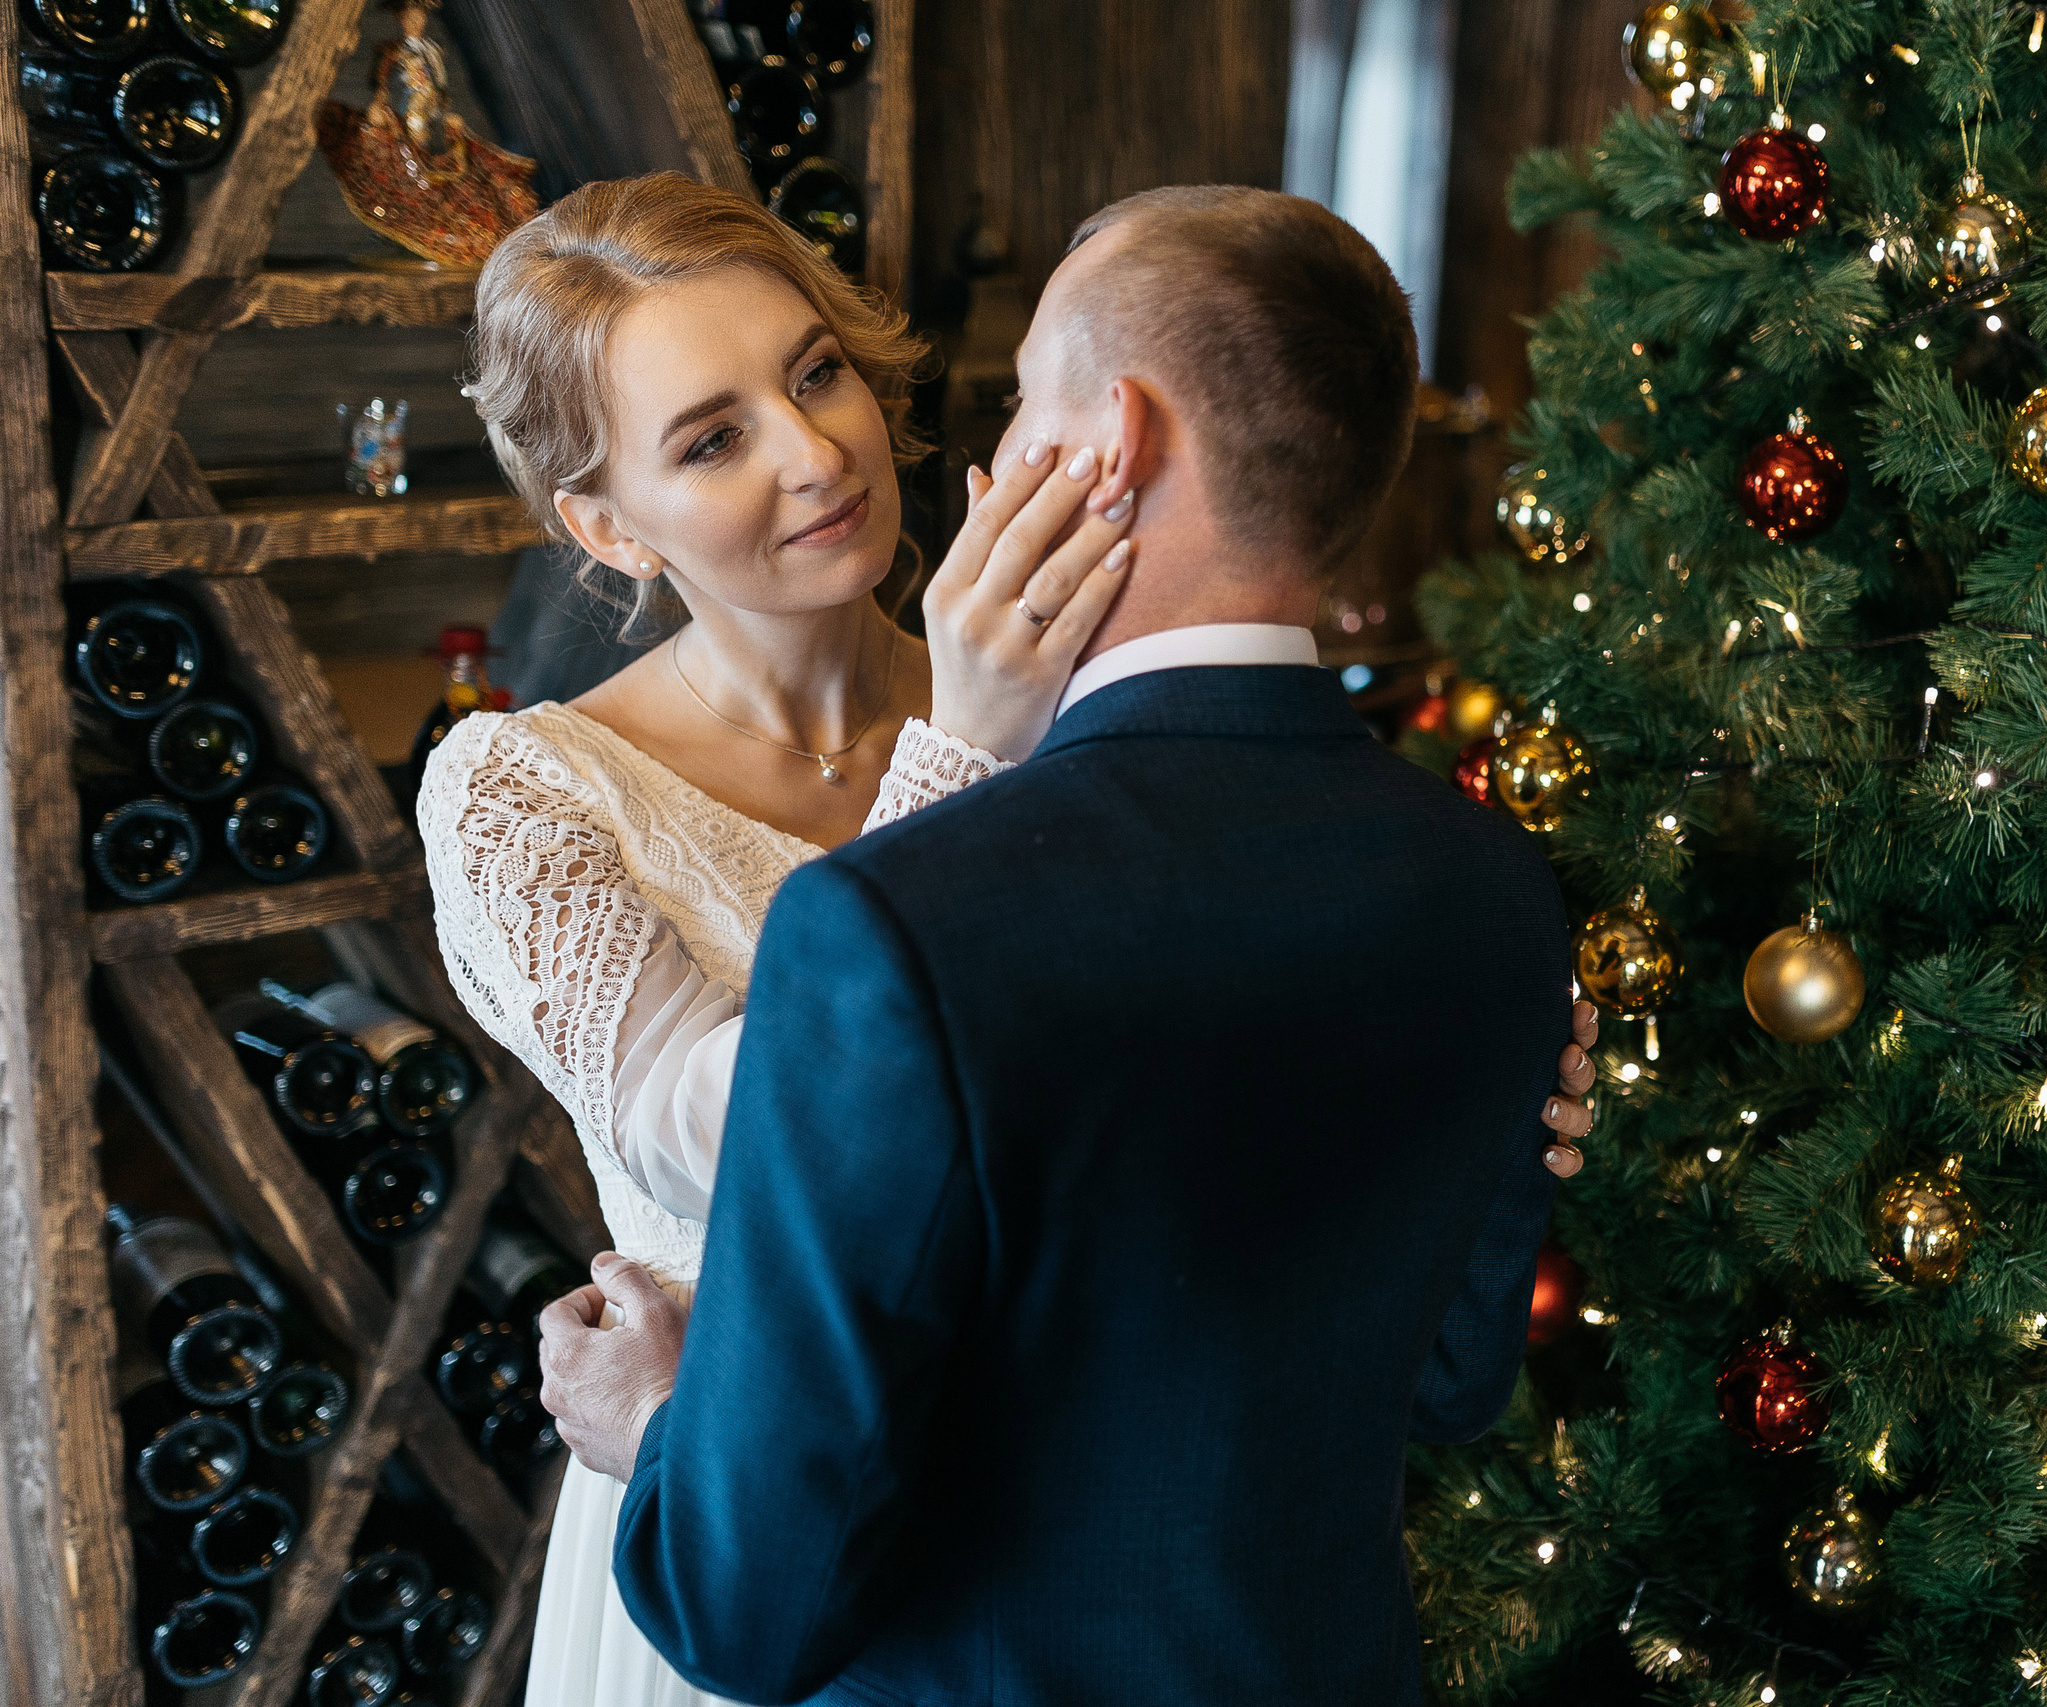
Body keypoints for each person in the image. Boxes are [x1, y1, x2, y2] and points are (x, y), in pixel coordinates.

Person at [421, 175, 1596, 1707]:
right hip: (736, 1501)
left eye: (817, 371)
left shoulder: (1099, 717)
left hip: (1031, 1554)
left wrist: (1451, 1101)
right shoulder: (522, 788)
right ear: (603, 524)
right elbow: (715, 1133)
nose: (814, 452)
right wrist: (961, 758)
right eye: (712, 440)